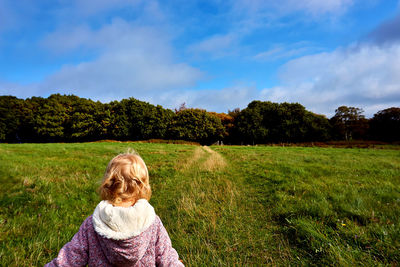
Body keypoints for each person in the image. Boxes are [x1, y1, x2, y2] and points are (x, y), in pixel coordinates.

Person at [46, 152, 184, 266]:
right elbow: (167, 257)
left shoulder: (93, 224)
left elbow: (70, 257)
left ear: (108, 185)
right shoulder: (151, 222)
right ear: (143, 186)